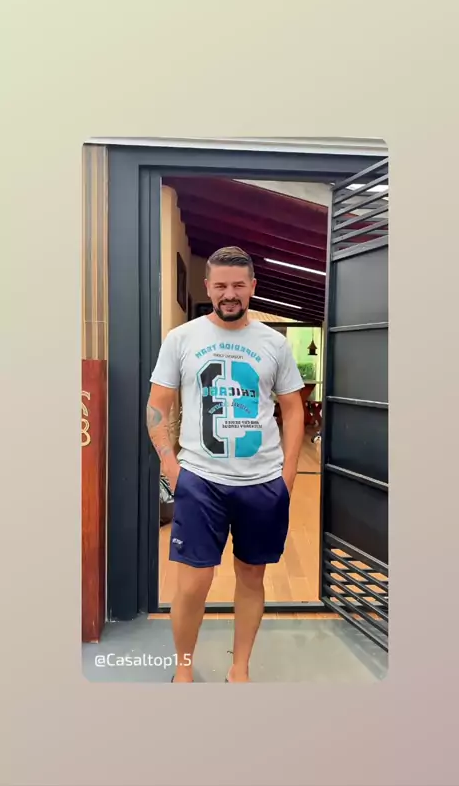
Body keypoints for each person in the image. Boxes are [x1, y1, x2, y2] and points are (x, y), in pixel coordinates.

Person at [146, 246, 305, 682]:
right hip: (200, 480)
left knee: (252, 576)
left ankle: (240, 668)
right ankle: (183, 669)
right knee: (192, 583)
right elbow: (157, 406)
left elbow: (293, 409)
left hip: (263, 482)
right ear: (208, 287)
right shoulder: (182, 339)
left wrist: (289, 473)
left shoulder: (274, 344)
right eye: (220, 285)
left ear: (252, 286)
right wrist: (171, 467)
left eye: (238, 285)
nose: (229, 294)